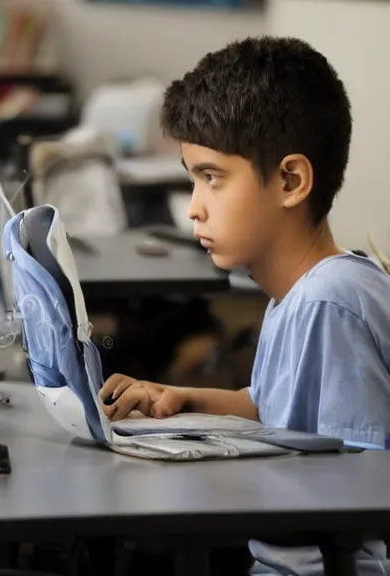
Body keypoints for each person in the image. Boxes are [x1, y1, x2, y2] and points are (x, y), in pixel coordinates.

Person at [98, 36, 390, 575]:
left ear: (290, 180)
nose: (193, 209)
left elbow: (362, 495)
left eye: (212, 178)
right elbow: (278, 413)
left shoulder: (329, 304)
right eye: (192, 179)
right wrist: (185, 399)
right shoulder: (296, 296)